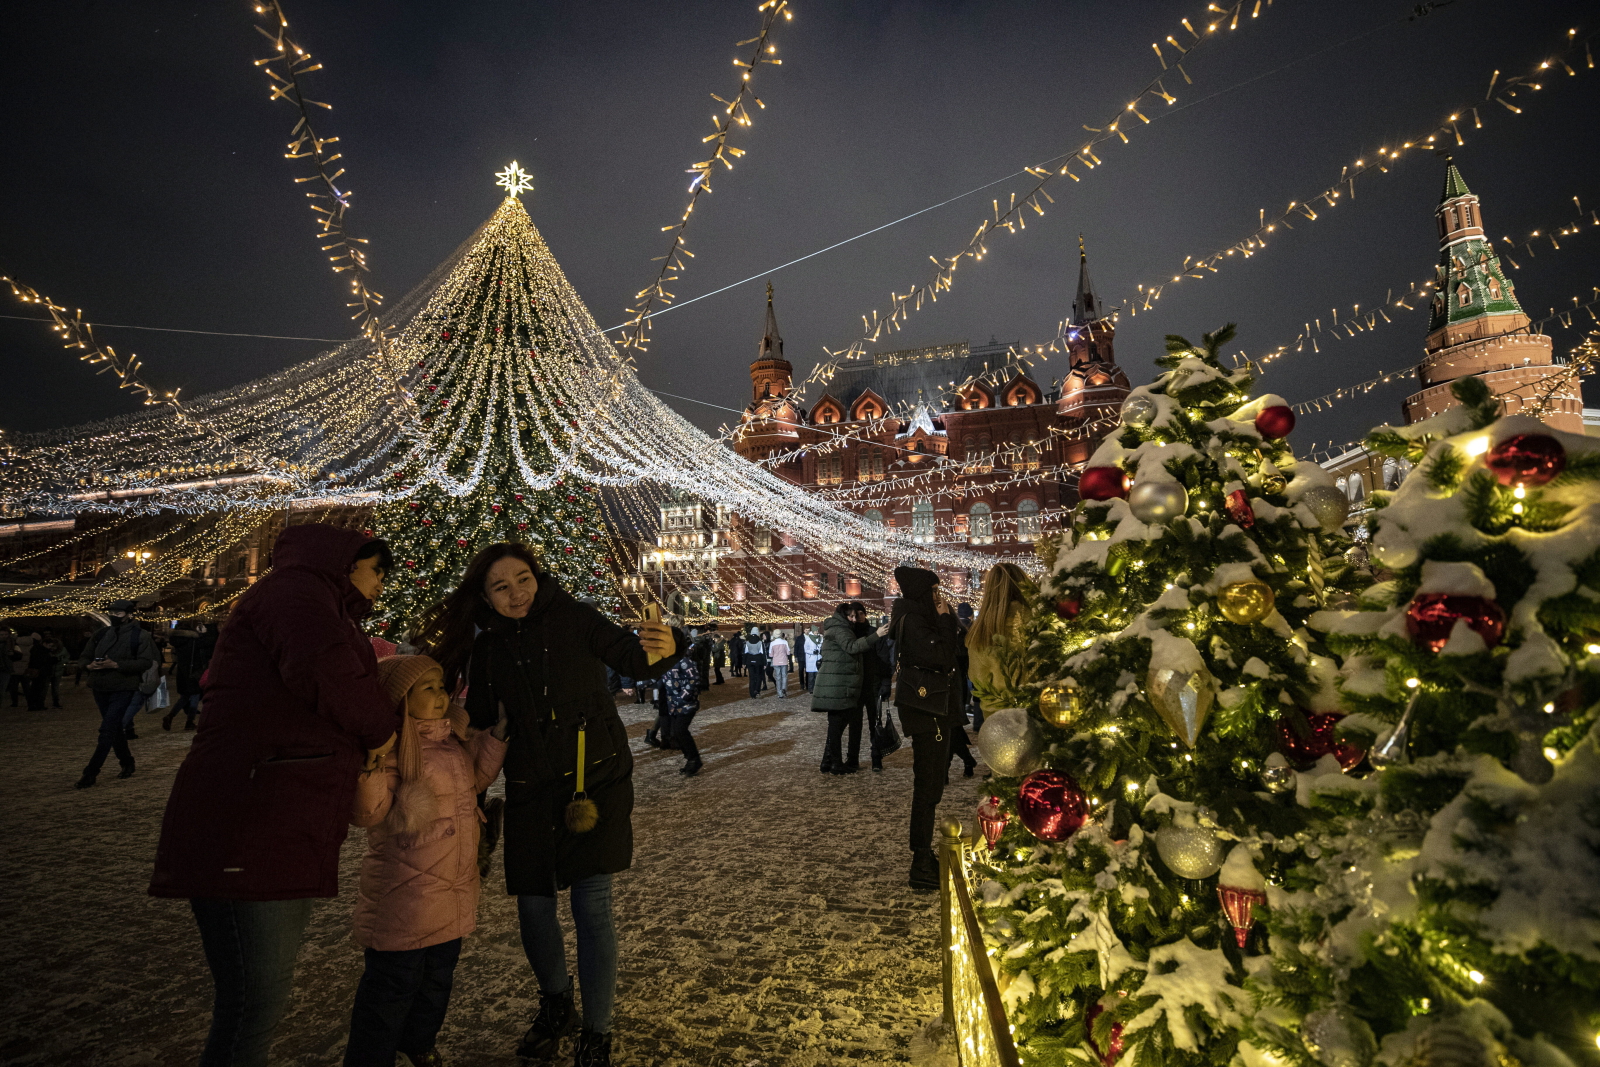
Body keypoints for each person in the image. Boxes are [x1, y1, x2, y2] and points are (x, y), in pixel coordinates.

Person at [416, 542, 681, 1067]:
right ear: (485, 596)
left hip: (593, 781)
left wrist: (666, 644)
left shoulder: (576, 617)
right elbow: (485, 713)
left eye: (523, 579)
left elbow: (636, 659)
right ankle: (556, 1001)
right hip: (530, 789)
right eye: (500, 586)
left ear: (537, 577)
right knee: (533, 907)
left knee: (591, 907)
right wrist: (453, 724)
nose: (516, 593)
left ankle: (597, 1032)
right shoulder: (487, 645)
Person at [148, 525, 400, 1067]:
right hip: (252, 818)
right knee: (252, 1004)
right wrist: (382, 731)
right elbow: (325, 672)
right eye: (378, 569)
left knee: (259, 998)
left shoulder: (317, 601)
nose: (381, 584)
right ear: (347, 561)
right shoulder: (296, 592)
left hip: (277, 813)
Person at [344, 655, 508, 1067]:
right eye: (427, 688)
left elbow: (473, 782)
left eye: (441, 686)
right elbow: (369, 814)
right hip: (406, 897)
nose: (440, 695)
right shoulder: (394, 748)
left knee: (437, 980)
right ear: (400, 699)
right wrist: (371, 763)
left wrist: (497, 738)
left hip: (452, 888)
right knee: (391, 987)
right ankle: (371, 1058)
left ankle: (419, 1043)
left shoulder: (451, 740)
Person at [890, 566, 964, 892]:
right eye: (934, 591)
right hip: (927, 710)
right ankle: (920, 860)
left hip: (932, 708)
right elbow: (944, 657)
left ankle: (924, 856)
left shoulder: (919, 618)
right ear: (923, 593)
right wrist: (947, 620)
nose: (939, 597)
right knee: (927, 787)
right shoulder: (915, 621)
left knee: (931, 786)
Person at [75, 604, 157, 787]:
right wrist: (88, 666)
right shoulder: (101, 634)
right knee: (114, 728)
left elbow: (146, 662)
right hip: (100, 686)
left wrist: (116, 665)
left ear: (128, 615)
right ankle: (127, 762)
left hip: (123, 687)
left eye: (117, 613)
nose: (114, 616)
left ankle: (91, 772)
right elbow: (85, 656)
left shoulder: (140, 636)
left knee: (106, 730)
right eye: (111, 613)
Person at [811, 603, 890, 774]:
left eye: (860, 614)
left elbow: (884, 659)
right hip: (851, 686)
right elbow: (852, 647)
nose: (857, 618)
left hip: (870, 685)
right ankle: (843, 760)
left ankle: (874, 759)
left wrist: (885, 683)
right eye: (854, 615)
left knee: (871, 723)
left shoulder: (855, 630)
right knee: (846, 724)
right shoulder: (846, 631)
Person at [965, 563, 1034, 730]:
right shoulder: (1036, 621)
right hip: (1035, 714)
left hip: (996, 722)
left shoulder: (979, 632)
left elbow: (976, 678)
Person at [164, 620, 216, 731]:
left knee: (185, 697)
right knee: (194, 695)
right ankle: (189, 721)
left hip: (182, 671)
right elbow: (208, 643)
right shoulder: (192, 640)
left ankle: (170, 716)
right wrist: (204, 633)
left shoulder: (177, 640)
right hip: (194, 670)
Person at [658, 652, 702, 775]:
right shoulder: (663, 661)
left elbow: (694, 678)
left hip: (687, 703)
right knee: (677, 732)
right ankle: (690, 759)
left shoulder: (683, 660)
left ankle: (694, 759)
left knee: (680, 730)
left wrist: (683, 696)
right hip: (673, 704)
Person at [25, 629, 54, 710]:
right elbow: (42, 661)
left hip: (39, 671)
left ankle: (35, 704)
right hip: (40, 672)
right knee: (37, 689)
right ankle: (35, 705)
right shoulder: (41, 650)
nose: (50, 647)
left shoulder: (38, 649)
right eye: (49, 645)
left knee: (36, 689)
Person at [742, 628, 767, 699]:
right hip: (758, 660)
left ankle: (752, 692)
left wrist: (744, 662)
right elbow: (763, 653)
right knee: (759, 676)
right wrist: (765, 663)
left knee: (752, 677)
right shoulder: (760, 642)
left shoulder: (747, 642)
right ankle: (757, 690)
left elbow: (745, 653)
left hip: (750, 660)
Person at [768, 630, 792, 698]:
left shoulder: (772, 643)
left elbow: (770, 654)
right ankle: (784, 688)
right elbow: (788, 653)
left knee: (778, 677)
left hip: (776, 661)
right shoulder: (785, 642)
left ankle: (779, 692)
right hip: (784, 660)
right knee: (784, 676)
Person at [802, 626, 822, 693]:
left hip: (818, 658)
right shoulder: (808, 638)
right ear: (813, 631)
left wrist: (819, 651)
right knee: (811, 676)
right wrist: (812, 652)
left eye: (817, 631)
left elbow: (822, 646)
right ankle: (811, 689)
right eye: (815, 631)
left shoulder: (820, 637)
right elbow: (806, 649)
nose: (816, 632)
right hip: (810, 659)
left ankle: (817, 689)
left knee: (817, 675)